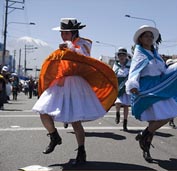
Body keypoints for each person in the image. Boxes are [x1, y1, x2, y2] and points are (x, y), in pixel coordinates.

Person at [32, 18, 118, 164]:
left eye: (66, 33)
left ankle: (81, 151)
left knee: (75, 121)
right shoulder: (64, 45)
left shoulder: (83, 43)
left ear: (74, 32)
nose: (63, 35)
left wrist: (69, 48)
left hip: (76, 84)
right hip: (60, 83)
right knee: (42, 110)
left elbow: (84, 56)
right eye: (62, 33)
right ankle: (54, 136)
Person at [126, 25, 177, 162]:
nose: (149, 38)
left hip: (160, 86)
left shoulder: (156, 54)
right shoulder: (139, 54)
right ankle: (145, 143)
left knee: (165, 116)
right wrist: (133, 85)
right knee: (159, 118)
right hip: (147, 88)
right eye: (146, 36)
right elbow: (134, 71)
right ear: (140, 39)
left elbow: (164, 70)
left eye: (151, 36)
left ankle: (144, 137)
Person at [113, 47, 131, 131]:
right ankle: (117, 113)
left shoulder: (130, 64)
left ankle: (125, 122)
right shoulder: (115, 65)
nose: (122, 57)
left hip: (126, 87)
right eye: (120, 55)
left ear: (126, 56)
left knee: (126, 105)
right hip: (118, 86)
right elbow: (113, 75)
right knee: (118, 102)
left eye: (123, 55)